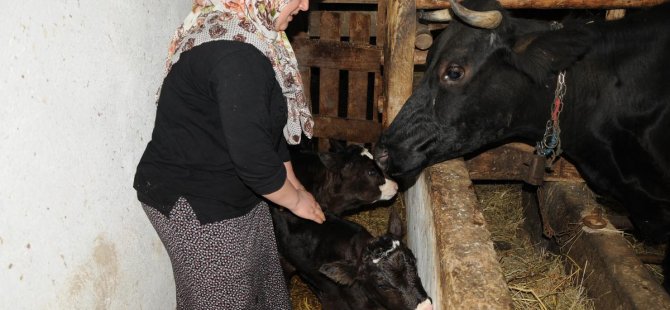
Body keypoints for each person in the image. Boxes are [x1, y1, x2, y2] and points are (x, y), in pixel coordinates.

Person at [133, 0, 324, 308]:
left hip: (235, 184)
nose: (304, 6)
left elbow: (264, 132)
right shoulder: (236, 54)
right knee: (223, 297)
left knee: (265, 284)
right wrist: (296, 201)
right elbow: (254, 162)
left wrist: (294, 184)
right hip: (197, 201)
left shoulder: (252, 34)